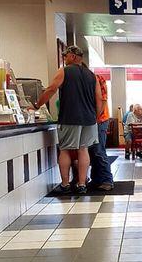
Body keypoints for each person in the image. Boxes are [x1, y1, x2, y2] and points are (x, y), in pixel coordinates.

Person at [34, 46, 102, 195]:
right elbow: (99, 99)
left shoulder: (64, 71)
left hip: (70, 117)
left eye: (65, 57)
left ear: (72, 56)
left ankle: (65, 184)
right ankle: (82, 184)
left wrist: (37, 105)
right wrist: (95, 117)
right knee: (83, 149)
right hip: (89, 120)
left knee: (65, 149)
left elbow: (52, 88)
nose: (64, 60)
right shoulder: (92, 75)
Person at [88, 73, 114, 190]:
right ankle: (96, 179)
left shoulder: (97, 79)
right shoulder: (93, 79)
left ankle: (107, 180)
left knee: (98, 150)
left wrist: (96, 117)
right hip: (95, 120)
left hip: (100, 120)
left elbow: (102, 99)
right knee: (93, 151)